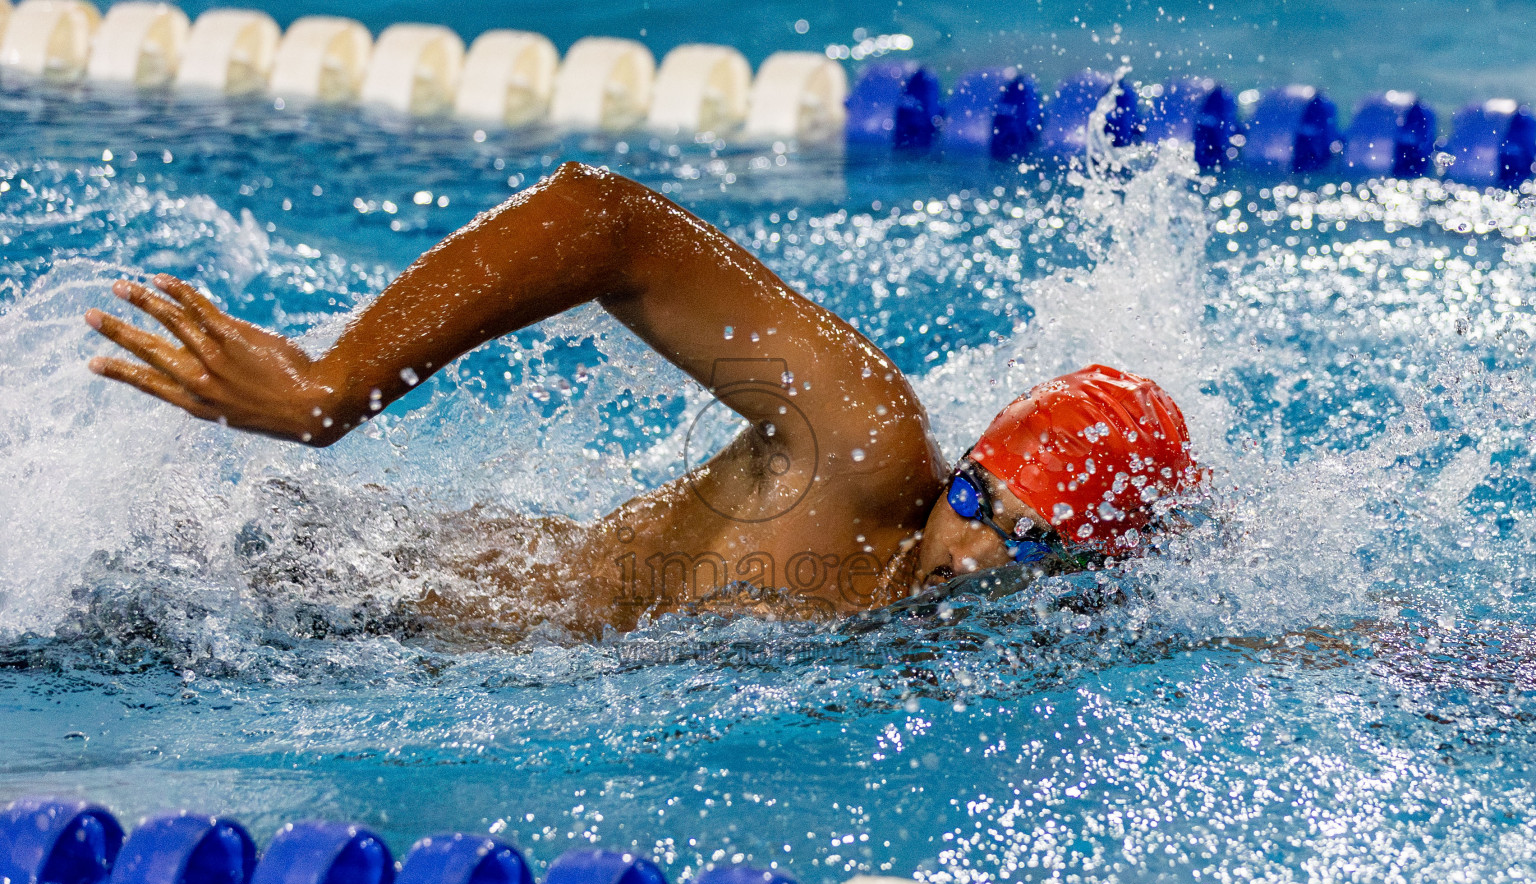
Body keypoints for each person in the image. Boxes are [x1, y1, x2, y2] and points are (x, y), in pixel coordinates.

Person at [84, 162, 1200, 638]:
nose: (968, 551)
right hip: (325, 606)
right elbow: (603, 218)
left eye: (1030, 541)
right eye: (976, 495)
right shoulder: (860, 446)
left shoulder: (1053, 627)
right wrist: (335, 385)